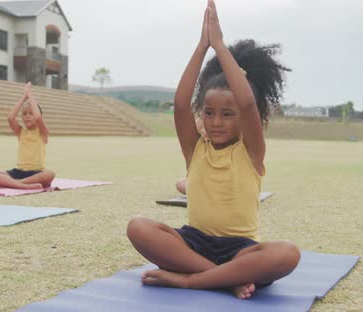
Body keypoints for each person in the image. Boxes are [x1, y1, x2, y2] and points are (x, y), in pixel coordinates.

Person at [127, 0, 299, 299]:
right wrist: (201, 47)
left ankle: (191, 280)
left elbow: (246, 103)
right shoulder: (196, 149)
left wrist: (220, 46)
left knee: (287, 254)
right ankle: (223, 279)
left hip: (239, 251)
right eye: (208, 112)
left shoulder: (250, 152)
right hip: (192, 244)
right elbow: (181, 104)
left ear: (245, 119)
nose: (216, 122)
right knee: (138, 227)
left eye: (227, 114)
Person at [0, 82, 55, 189]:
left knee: (50, 174)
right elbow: (10, 118)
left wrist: (30, 95)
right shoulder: (21, 132)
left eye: (31, 113)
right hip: (18, 172)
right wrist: (24, 96)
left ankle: (16, 183)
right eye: (24, 114)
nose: (27, 117)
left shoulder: (42, 132)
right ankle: (22, 185)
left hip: (36, 174)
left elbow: (38, 118)